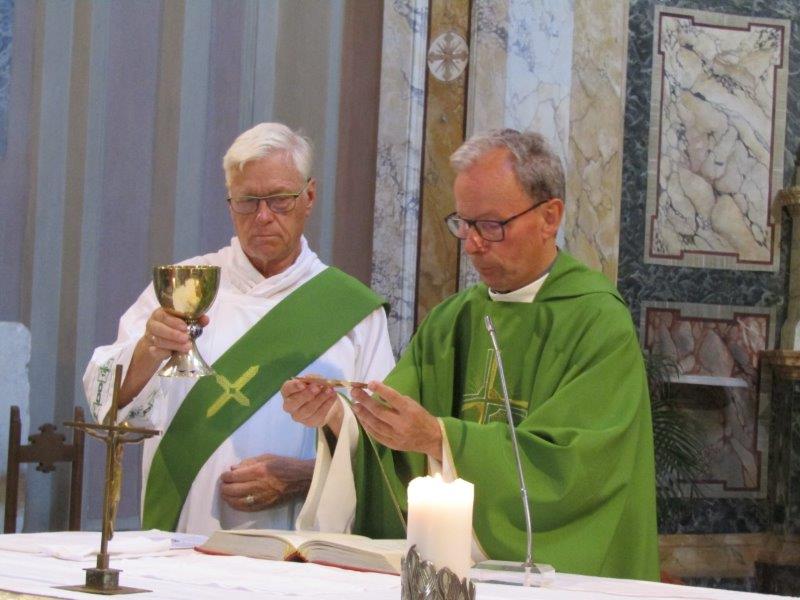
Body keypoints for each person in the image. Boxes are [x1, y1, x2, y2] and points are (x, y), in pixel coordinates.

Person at [281, 129, 660, 580]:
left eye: (492, 226)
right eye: (463, 223)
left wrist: (440, 439)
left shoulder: (598, 321)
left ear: (550, 217)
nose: (473, 244)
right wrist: (336, 417)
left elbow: (577, 468)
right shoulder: (453, 319)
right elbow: (393, 427)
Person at [83, 122, 395, 535]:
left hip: (299, 545)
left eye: (280, 200)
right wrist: (148, 350)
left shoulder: (352, 312)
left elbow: (385, 447)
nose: (263, 216)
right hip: (186, 538)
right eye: (248, 201)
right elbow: (106, 401)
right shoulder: (186, 287)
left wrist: (305, 476)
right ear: (230, 204)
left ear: (309, 197)